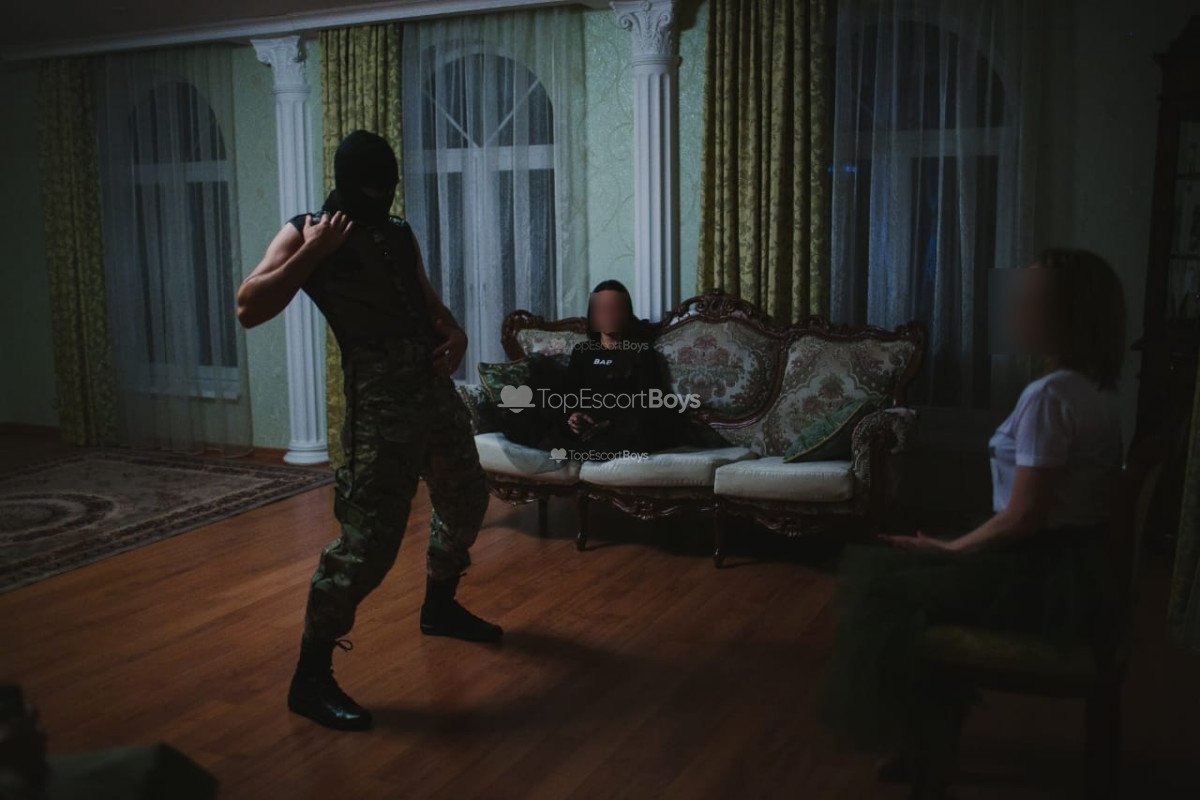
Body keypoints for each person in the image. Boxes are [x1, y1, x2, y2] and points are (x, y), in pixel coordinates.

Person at [817, 248, 1127, 799]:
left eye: (1031, 300)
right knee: (909, 570)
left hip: (1042, 571)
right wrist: (954, 546)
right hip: (1079, 565)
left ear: (1070, 316)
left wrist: (952, 551)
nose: (1015, 310)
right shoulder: (1096, 391)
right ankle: (926, 741)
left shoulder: (1049, 397)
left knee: (884, 589)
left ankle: (925, 751)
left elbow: (1025, 517)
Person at [236, 130, 502, 733]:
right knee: (369, 545)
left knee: (467, 499)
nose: (380, 197)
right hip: (379, 407)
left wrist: (456, 333)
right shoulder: (306, 229)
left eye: (387, 187)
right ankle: (310, 677)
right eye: (369, 188)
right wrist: (313, 252)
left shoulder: (398, 231)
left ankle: (439, 607)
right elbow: (249, 308)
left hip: (432, 391)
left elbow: (429, 304)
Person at [557, 280, 678, 458]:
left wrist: (609, 422)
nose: (608, 315)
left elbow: (649, 401)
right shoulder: (582, 351)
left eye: (615, 309)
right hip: (587, 422)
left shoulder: (641, 351)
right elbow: (569, 394)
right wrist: (573, 416)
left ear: (626, 313)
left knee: (640, 426)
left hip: (623, 425)